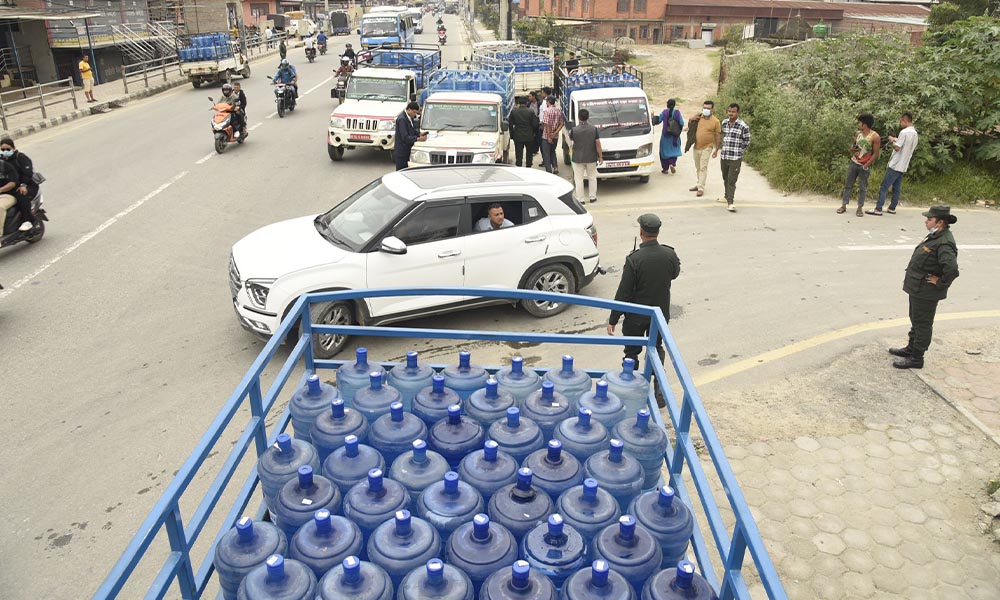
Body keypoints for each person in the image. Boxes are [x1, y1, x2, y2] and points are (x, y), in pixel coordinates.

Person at [607, 213, 681, 387]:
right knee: (655, 348)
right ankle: (659, 389)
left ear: (641, 232)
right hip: (659, 315)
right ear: (657, 232)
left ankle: (630, 386)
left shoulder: (634, 259)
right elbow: (674, 274)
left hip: (636, 317)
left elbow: (623, 292)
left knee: (631, 351)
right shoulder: (669, 254)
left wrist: (613, 319)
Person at [889, 206, 960, 369]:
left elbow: (952, 269)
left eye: (929, 219)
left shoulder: (944, 242)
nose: (926, 221)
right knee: (916, 319)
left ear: (940, 222)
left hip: (926, 291)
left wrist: (940, 283)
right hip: (918, 288)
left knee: (922, 323)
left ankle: (917, 357)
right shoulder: (936, 235)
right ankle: (910, 348)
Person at [868, 112, 918, 216]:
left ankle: (878, 208)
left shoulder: (904, 132)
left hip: (895, 164)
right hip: (904, 165)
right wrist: (897, 140)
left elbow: (897, 147)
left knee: (884, 186)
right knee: (897, 187)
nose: (900, 124)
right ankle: (892, 208)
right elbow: (905, 145)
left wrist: (892, 141)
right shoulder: (915, 134)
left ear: (905, 121)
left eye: (901, 121)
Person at [838, 113, 880, 217]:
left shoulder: (875, 137)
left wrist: (867, 164)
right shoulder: (858, 134)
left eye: (860, 122)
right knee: (848, 184)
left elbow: (875, 153)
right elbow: (853, 147)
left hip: (864, 165)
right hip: (854, 162)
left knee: (862, 187)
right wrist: (853, 149)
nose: (859, 124)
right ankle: (843, 205)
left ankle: (859, 207)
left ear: (864, 124)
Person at [0, 137, 39, 231]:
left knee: (21, 195)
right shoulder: (2, 162)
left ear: (13, 148)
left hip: (27, 185)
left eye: (8, 149)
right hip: (9, 188)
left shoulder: (20, 157)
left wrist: (23, 185)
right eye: (3, 149)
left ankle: (28, 220)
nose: (5, 151)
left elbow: (27, 172)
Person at [719, 102, 751, 213]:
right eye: (729, 111)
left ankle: (730, 202)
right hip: (724, 156)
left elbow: (747, 141)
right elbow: (723, 136)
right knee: (725, 177)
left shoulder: (743, 126)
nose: (731, 114)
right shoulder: (724, 123)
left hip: (735, 158)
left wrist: (740, 151)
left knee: (732, 180)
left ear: (737, 113)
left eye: (733, 112)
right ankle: (726, 196)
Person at [688, 100, 720, 198]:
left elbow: (718, 136)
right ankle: (699, 184)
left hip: (707, 147)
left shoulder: (716, 121)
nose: (706, 110)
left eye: (708, 108)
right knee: (698, 167)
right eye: (705, 108)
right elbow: (690, 127)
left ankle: (701, 188)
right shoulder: (698, 118)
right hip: (696, 146)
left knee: (703, 167)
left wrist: (716, 150)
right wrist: (690, 119)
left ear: (712, 109)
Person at [569, 108, 602, 203]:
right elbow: (598, 144)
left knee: (579, 179)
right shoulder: (594, 129)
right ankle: (592, 197)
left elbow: (571, 142)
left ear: (579, 118)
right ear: (588, 117)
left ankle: (580, 199)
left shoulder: (574, 130)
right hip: (591, 157)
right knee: (592, 178)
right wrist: (600, 156)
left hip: (577, 158)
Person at [394, 101, 427, 170]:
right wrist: (418, 139)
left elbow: (412, 130)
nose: (415, 114)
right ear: (409, 110)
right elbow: (405, 137)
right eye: (414, 112)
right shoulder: (402, 119)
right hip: (402, 152)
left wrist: (419, 134)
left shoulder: (409, 117)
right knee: (401, 171)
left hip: (408, 150)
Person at [508, 96, 539, 168]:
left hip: (518, 135)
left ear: (518, 103)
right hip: (529, 136)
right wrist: (533, 132)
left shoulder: (514, 111)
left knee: (518, 154)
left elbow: (510, 124)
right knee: (529, 153)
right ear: (527, 102)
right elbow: (535, 124)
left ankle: (519, 166)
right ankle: (528, 166)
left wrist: (512, 134)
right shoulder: (530, 111)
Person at [658, 98, 684, 174]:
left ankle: (665, 169)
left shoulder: (664, 112)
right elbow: (682, 123)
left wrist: (652, 117)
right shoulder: (677, 113)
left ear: (667, 105)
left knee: (664, 152)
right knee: (673, 151)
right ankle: (672, 164)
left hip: (665, 136)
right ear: (675, 104)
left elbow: (658, 120)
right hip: (674, 137)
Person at [540, 95, 563, 175]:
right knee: (553, 151)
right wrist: (555, 133)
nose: (546, 103)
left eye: (546, 101)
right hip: (555, 136)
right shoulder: (558, 110)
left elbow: (547, 124)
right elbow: (561, 124)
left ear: (549, 102)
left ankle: (549, 171)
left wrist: (549, 136)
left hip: (546, 137)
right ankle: (555, 167)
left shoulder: (547, 111)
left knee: (546, 154)